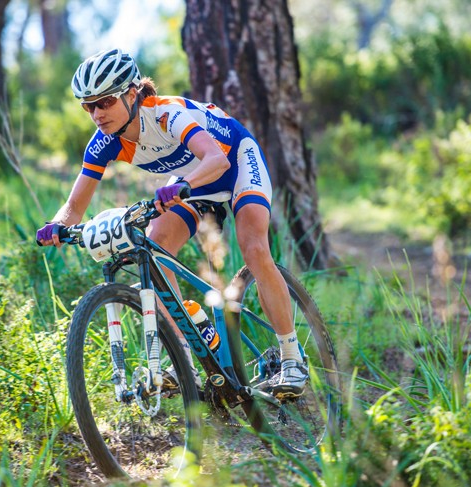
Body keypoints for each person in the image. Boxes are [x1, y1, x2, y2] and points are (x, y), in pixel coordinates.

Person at [35, 49, 307, 398]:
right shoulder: (103, 143)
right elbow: (74, 207)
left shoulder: (165, 114)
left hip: (234, 160)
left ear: (131, 94)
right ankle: (185, 363)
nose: (97, 114)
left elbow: (216, 159)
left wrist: (183, 185)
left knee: (254, 248)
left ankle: (291, 358)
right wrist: (55, 226)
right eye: (88, 106)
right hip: (192, 180)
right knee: (154, 248)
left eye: (104, 101)